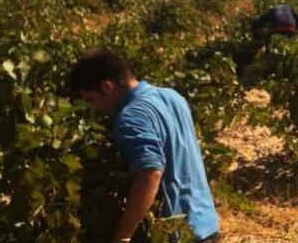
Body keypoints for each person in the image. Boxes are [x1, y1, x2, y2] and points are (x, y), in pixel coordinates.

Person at [69, 49, 220, 243]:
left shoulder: (131, 117)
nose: (95, 109)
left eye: (92, 100)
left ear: (107, 87)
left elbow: (150, 173)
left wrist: (123, 237)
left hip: (178, 234)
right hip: (206, 225)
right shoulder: (172, 97)